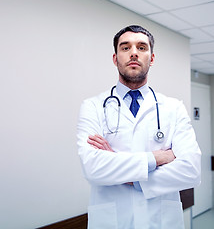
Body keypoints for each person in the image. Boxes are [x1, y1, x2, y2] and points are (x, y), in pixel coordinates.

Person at [77, 25, 201, 229]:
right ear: (115, 58)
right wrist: (158, 158)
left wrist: (130, 177)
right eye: (125, 48)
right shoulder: (92, 106)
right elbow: (93, 168)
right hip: (113, 222)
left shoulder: (173, 107)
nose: (134, 52)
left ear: (151, 58)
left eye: (142, 47)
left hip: (161, 221)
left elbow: (191, 170)